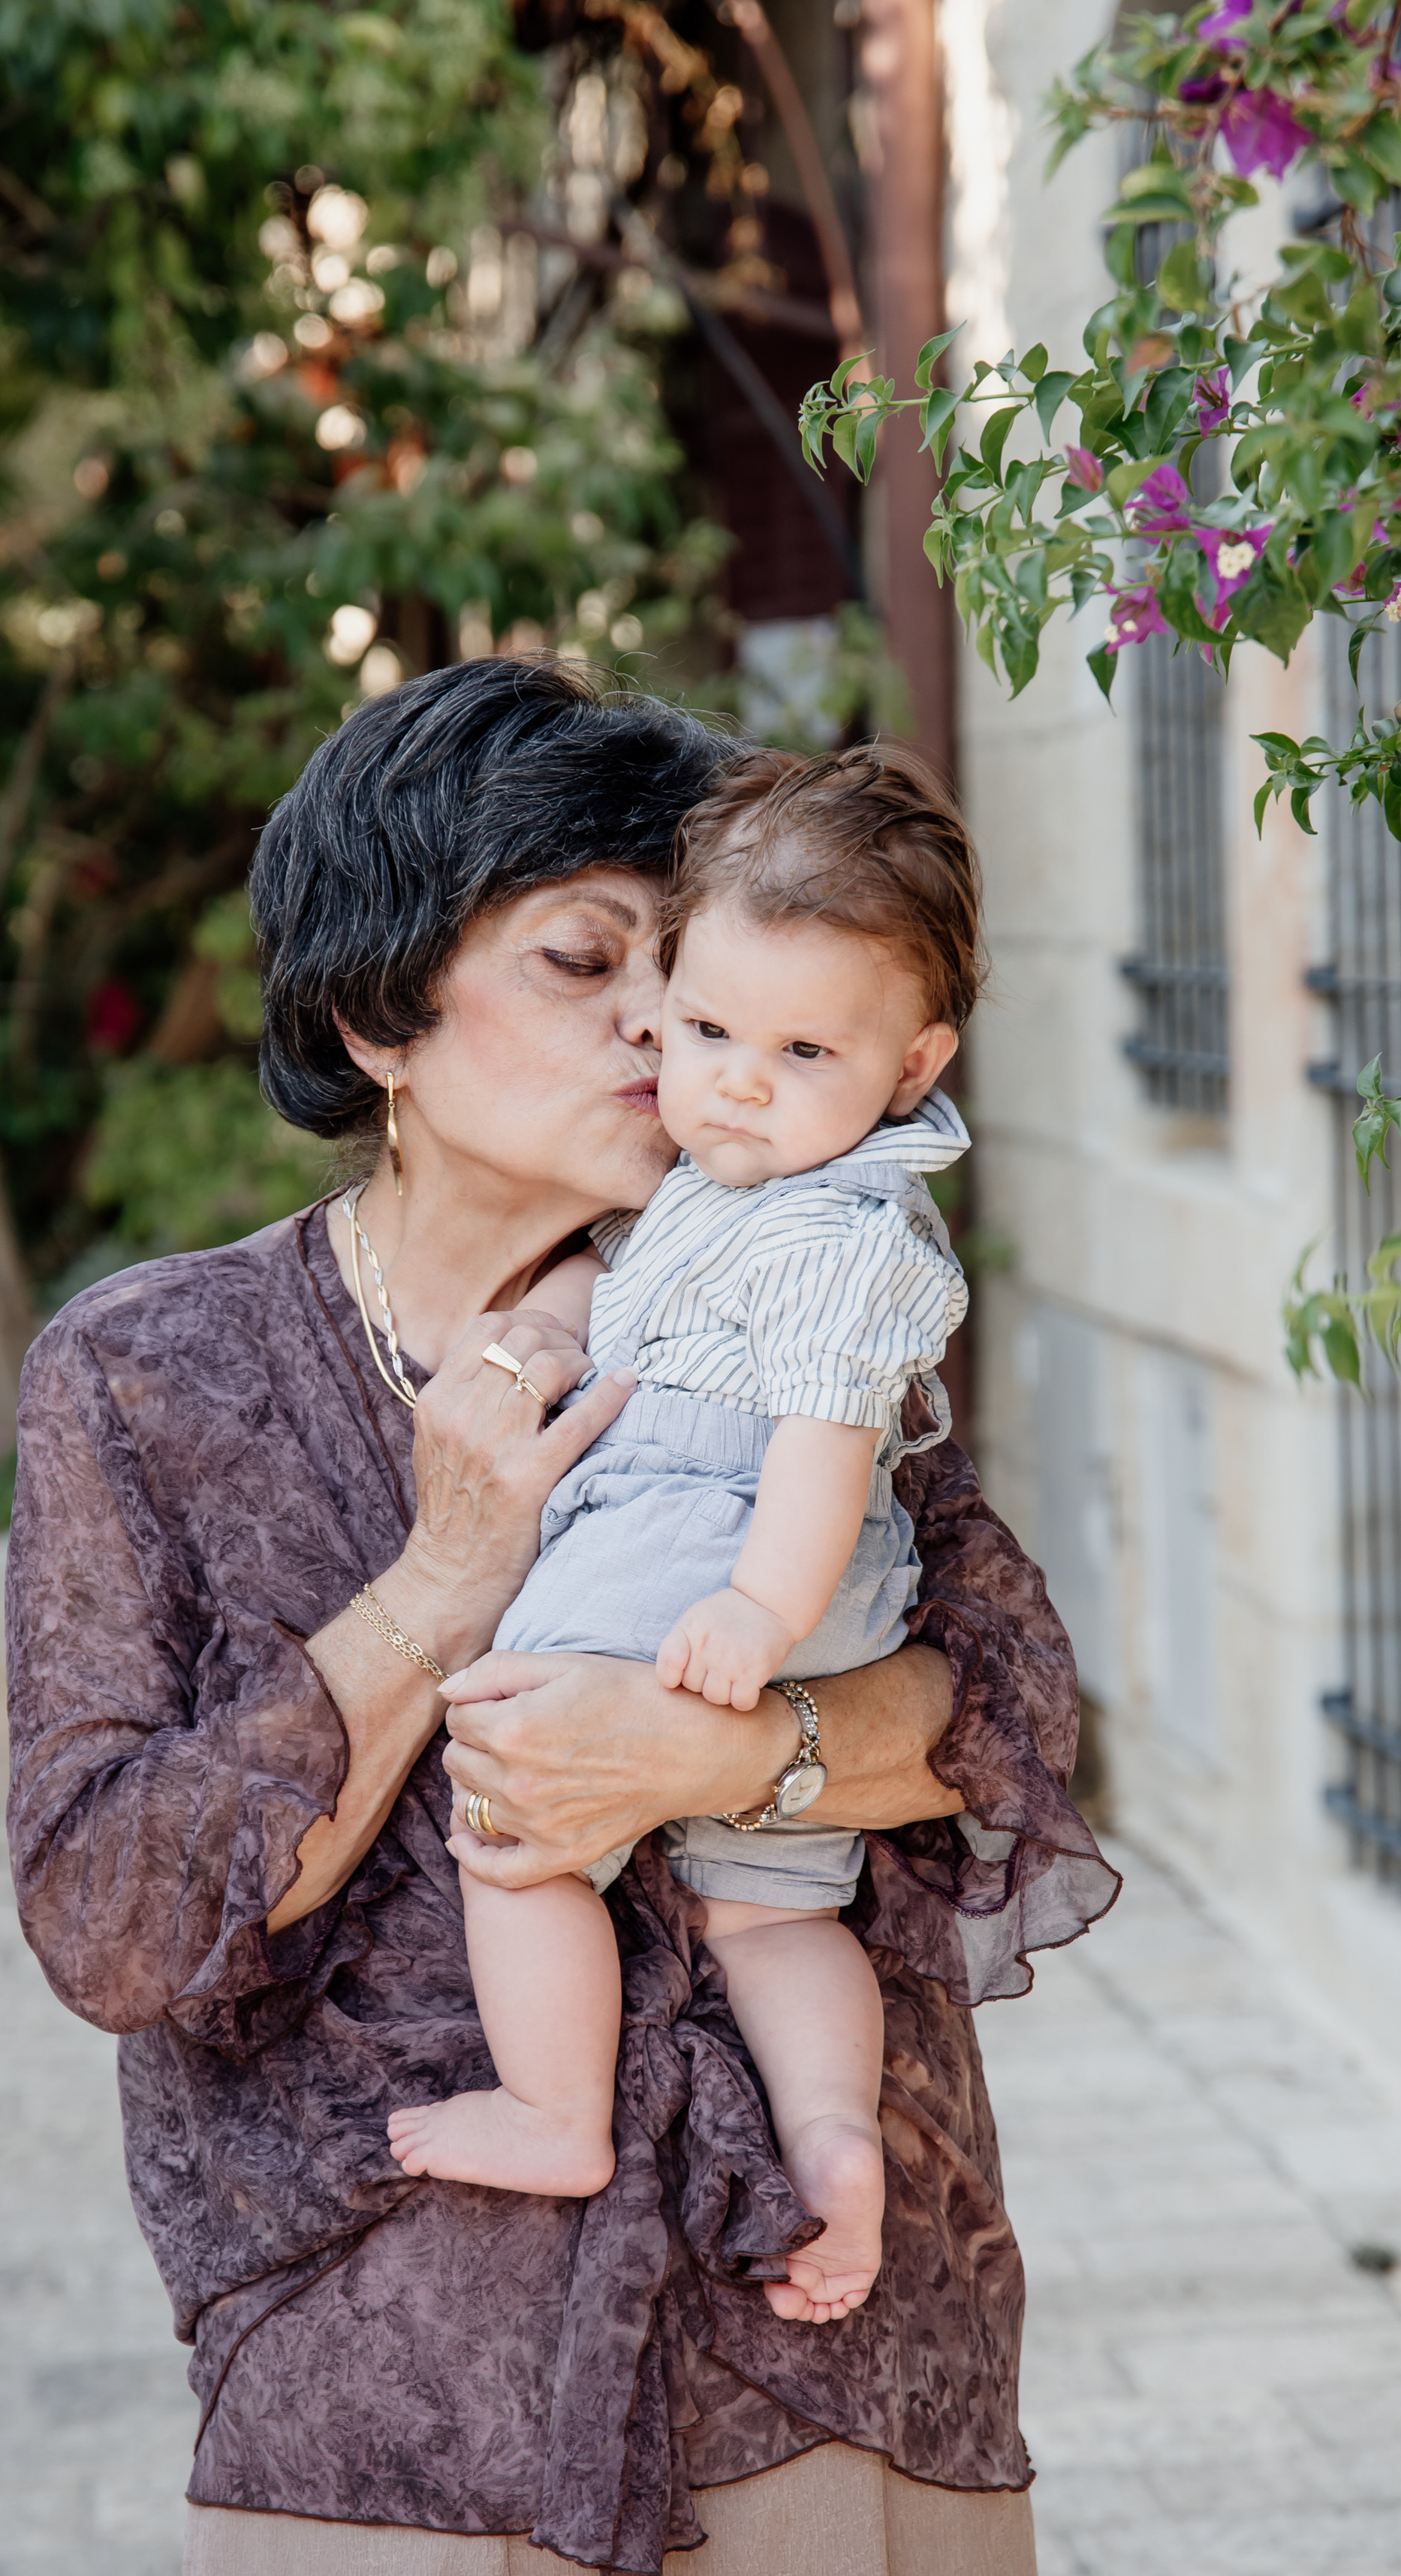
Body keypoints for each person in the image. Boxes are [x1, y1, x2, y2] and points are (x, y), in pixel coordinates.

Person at [5, 659, 1117, 2576]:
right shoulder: (154, 1374)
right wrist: (441, 1588)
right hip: (390, 2369)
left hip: (811, 2311)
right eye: (583, 962)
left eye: (676, 965)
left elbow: (999, 1699)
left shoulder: (770, 1280)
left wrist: (724, 1745)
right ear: (376, 1026)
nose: (658, 1027)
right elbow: (115, 1913)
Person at [389, 746, 979, 2344]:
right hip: (737, 1562)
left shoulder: (841, 1241)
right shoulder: (752, 1175)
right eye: (707, 1028)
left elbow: (820, 1451)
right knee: (773, 1906)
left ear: (912, 1063)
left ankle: (549, 2104)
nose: (728, 1078)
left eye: (798, 1049)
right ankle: (832, 2135)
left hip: (710, 1544)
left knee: (511, 1810)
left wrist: (750, 1603)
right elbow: (633, 1280)